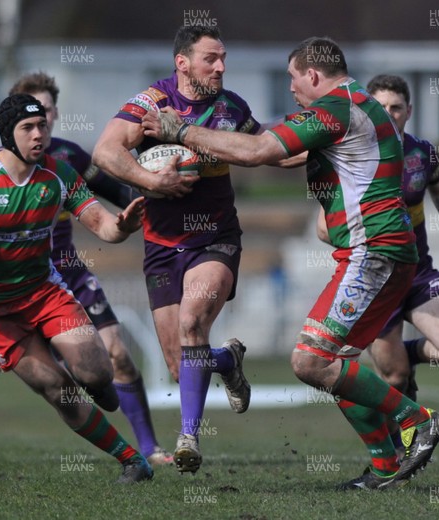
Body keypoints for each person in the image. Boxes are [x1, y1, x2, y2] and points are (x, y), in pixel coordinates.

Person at [142, 36, 439, 489]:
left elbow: (259, 151)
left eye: (291, 79)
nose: (291, 89)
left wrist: (180, 131)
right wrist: (216, 138)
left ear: (312, 75)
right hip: (379, 251)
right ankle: (385, 466)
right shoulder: (352, 106)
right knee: (338, 362)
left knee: (309, 360)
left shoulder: (336, 108)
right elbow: (269, 144)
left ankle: (417, 419)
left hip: (374, 251)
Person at [0, 93, 153, 483]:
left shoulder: (59, 174)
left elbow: (102, 226)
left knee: (97, 370)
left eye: (42, 126)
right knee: (58, 389)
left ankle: (100, 386)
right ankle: (133, 460)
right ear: (8, 136)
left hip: (44, 292)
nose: (39, 135)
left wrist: (123, 227)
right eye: (28, 128)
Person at [92, 25, 259, 474]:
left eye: (223, 57)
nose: (221, 66)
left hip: (216, 238)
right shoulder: (151, 102)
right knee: (179, 362)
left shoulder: (231, 108)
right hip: (163, 246)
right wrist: (152, 181)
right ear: (182, 63)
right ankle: (228, 360)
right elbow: (105, 153)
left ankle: (189, 438)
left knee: (192, 323)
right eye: (211, 59)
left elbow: (267, 150)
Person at [323, 74, 439, 454]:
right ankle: (394, 455)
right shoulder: (354, 156)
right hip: (377, 280)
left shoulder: (420, 154)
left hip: (417, 273)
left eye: (397, 107)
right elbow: (323, 227)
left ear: (409, 112)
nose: (390, 114)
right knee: (393, 378)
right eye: (382, 107)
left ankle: (408, 352)